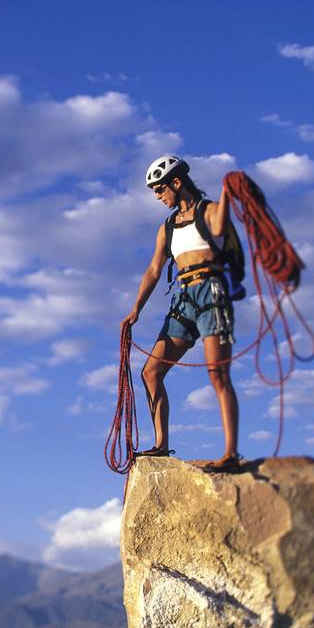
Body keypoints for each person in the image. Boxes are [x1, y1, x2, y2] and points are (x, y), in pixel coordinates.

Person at [121, 155, 245, 472]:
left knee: (218, 373)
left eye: (160, 190)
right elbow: (153, 270)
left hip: (211, 293)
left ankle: (230, 452)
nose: (159, 198)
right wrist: (136, 309)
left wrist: (228, 191)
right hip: (183, 298)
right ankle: (161, 445)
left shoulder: (210, 210)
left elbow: (219, 228)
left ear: (177, 183)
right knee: (151, 372)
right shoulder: (167, 228)